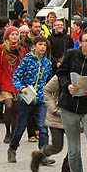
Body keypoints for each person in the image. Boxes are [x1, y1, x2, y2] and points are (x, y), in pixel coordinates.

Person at [34, 28, 87, 172]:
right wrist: (67, 86)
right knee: (74, 149)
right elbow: (61, 72)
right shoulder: (72, 55)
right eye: (86, 41)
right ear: (80, 43)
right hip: (69, 107)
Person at [7, 35, 53, 163]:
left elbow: (48, 80)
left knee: (43, 126)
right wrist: (21, 88)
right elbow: (16, 77)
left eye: (44, 45)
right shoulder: (27, 61)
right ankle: (12, 148)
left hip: (41, 100)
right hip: (26, 99)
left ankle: (42, 154)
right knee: (21, 126)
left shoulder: (47, 63)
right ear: (34, 47)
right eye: (40, 45)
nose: (42, 47)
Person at [0, 26, 25, 145]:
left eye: (17, 34)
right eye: (12, 34)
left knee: (16, 109)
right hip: (5, 80)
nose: (15, 36)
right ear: (7, 36)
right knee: (9, 105)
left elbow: (24, 67)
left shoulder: (22, 50)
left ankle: (13, 133)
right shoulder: (0, 49)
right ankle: (7, 131)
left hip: (17, 82)